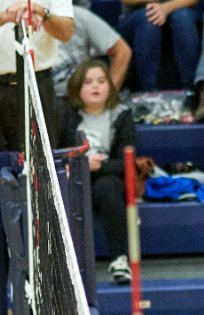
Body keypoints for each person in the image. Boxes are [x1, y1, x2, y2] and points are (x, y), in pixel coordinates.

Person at [58, 59, 134, 283]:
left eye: (101, 81)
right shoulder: (66, 115)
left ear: (110, 85)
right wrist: (78, 163)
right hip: (74, 178)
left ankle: (120, 260)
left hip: (107, 179)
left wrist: (100, 165)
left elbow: (127, 162)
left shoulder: (122, 115)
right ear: (77, 87)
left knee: (109, 186)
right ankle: (64, 264)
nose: (95, 86)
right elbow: (57, 154)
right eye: (88, 82)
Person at [0, 0, 74, 150]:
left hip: (37, 83)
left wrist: (41, 12)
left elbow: (66, 33)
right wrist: (7, 17)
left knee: (40, 158)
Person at [118, 0, 204, 96]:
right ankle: (148, 92)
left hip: (180, 11)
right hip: (136, 18)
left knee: (182, 18)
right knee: (149, 18)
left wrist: (166, 7)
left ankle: (193, 91)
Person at [53, 6, 132, 97]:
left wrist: (109, 97)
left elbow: (122, 51)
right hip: (46, 99)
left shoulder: (77, 16)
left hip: (82, 97)